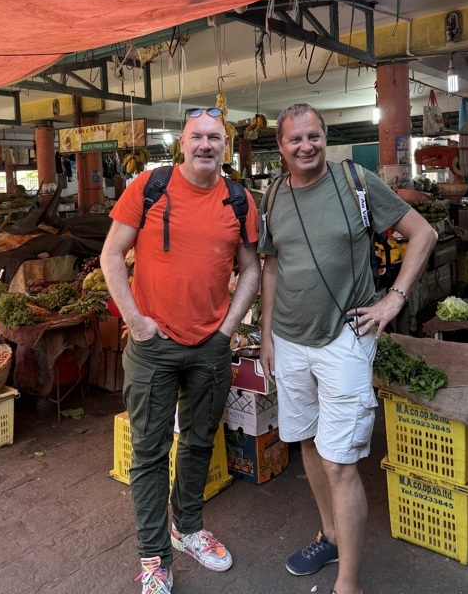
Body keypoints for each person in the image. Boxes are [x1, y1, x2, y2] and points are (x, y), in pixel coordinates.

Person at [258, 104, 437, 594]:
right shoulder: (271, 194)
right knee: (311, 447)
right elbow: (271, 267)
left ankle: (348, 585)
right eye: (295, 139)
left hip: (345, 337)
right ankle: (331, 534)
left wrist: (392, 301)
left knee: (340, 463)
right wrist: (267, 336)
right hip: (291, 343)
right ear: (281, 146)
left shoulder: (356, 181)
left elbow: (423, 233)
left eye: (313, 136)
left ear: (325, 136)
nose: (306, 146)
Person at [100, 107, 260, 594]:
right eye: (198, 137)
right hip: (153, 348)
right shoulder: (149, 186)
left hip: (210, 347)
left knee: (198, 441)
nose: (206, 145)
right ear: (183, 143)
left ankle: (188, 528)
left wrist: (227, 328)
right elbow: (111, 254)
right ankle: (154, 558)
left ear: (225, 147)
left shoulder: (239, 200)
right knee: (149, 454)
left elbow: (251, 268)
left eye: (216, 138)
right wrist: (137, 321)